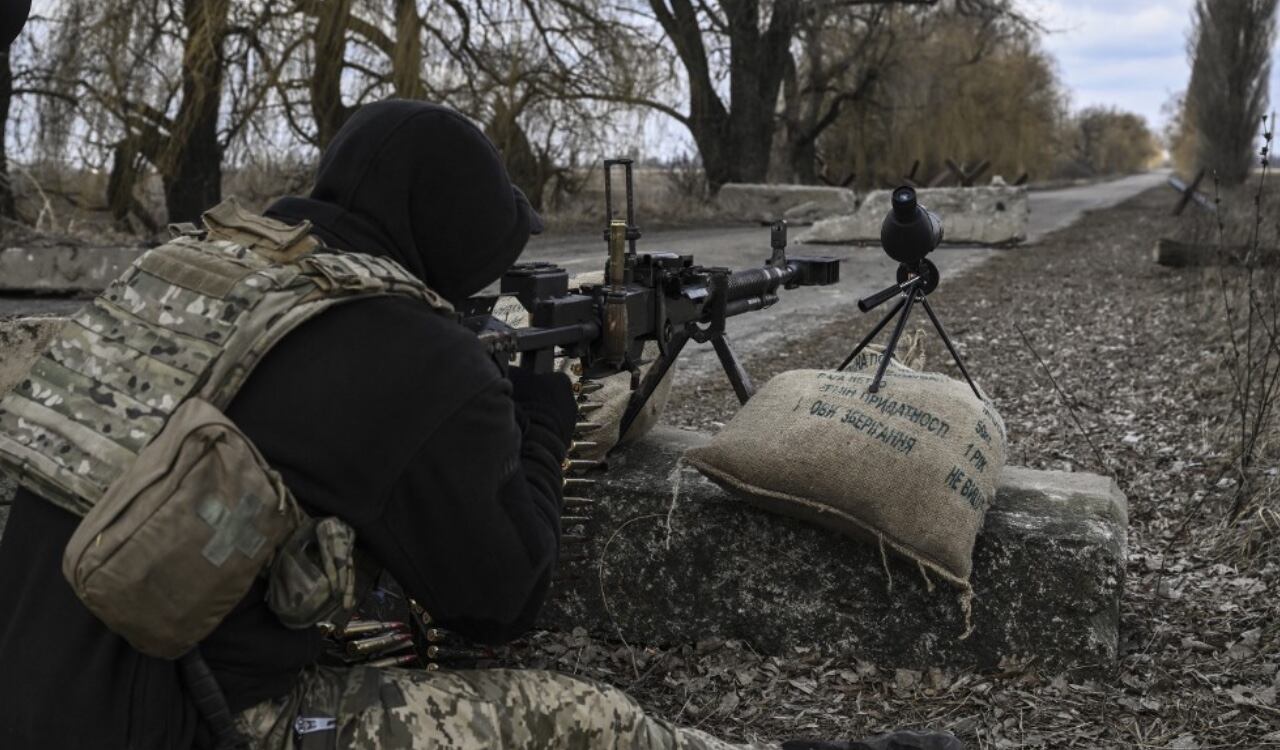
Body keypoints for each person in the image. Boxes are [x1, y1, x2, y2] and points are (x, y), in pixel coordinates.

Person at [0, 100, 960, 750]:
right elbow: (501, 602)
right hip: (184, 725)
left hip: (33, 669)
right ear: (456, 238)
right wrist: (537, 421)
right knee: (591, 720)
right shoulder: (411, 353)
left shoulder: (185, 272)